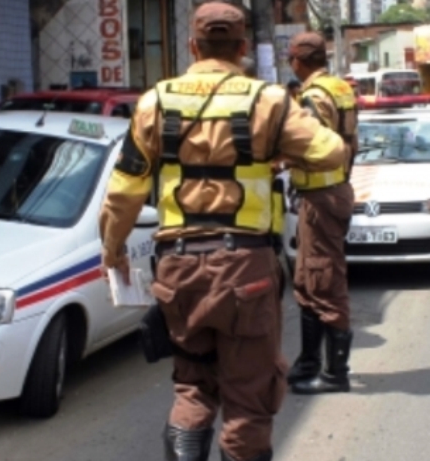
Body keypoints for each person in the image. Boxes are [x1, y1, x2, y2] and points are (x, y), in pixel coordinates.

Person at [97, 3, 347, 461]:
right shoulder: (268, 100)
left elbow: (123, 192)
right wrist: (278, 151)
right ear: (243, 48)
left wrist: (112, 249)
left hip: (177, 270)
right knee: (248, 398)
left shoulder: (156, 101)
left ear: (192, 46)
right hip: (245, 269)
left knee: (192, 387)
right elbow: (331, 152)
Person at [285, 31, 358, 395]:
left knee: (324, 281)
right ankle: (309, 361)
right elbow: (350, 141)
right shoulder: (339, 87)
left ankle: (334, 374)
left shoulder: (312, 97)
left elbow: (308, 144)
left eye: (291, 58)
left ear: (298, 60)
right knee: (307, 279)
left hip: (322, 196)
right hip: (333, 190)